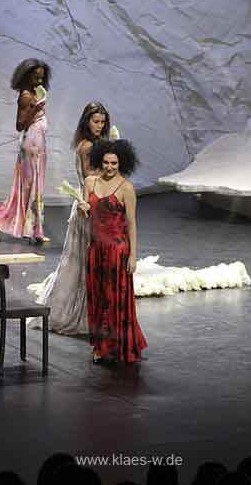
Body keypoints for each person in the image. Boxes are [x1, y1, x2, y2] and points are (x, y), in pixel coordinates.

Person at [30, 102, 111, 334]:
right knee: (85, 262)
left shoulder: (98, 144)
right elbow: (89, 178)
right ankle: (82, 313)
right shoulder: (86, 147)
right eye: (96, 121)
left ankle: (98, 311)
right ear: (86, 121)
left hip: (100, 204)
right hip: (89, 206)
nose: (99, 125)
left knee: (96, 261)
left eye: (102, 122)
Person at [78, 139, 147, 364]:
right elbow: (86, 216)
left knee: (114, 298)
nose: (109, 167)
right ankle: (100, 345)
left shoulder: (126, 188)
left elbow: (132, 224)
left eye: (114, 163)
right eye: (106, 162)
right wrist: (83, 210)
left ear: (121, 163)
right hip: (95, 250)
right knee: (97, 298)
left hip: (117, 251)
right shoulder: (90, 182)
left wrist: (133, 256)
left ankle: (118, 345)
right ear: (100, 161)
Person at [0, 58, 51, 245]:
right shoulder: (25, 96)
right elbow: (20, 125)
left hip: (39, 146)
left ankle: (36, 230)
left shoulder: (35, 93)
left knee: (36, 189)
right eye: (35, 77)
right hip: (30, 145)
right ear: (27, 76)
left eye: (41, 78)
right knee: (27, 190)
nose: (39, 81)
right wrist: (35, 109)